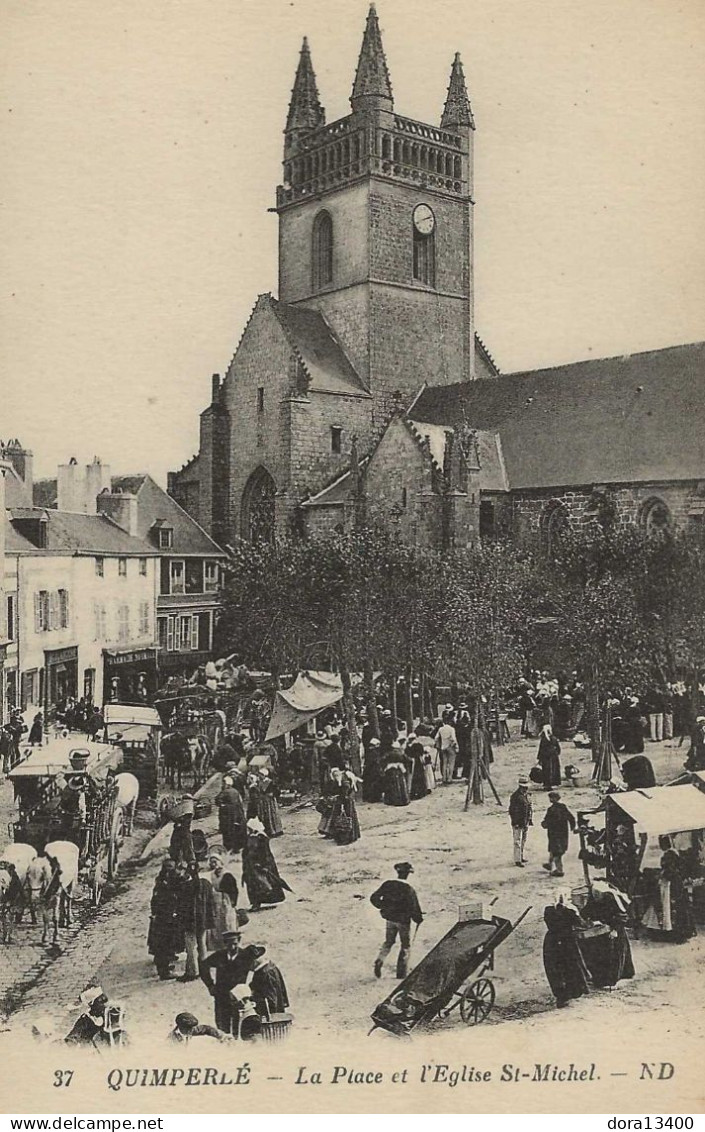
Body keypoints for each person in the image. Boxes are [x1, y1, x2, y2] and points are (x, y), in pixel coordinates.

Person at [371, 862, 423, 980]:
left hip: (389, 919)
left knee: (388, 942)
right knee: (405, 945)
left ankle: (380, 959)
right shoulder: (409, 889)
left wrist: (384, 907)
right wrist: (418, 919)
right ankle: (401, 974)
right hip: (403, 922)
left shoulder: (388, 884)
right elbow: (414, 907)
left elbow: (374, 898)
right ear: (408, 874)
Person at [581, 880, 635, 987]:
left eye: (598, 894)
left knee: (613, 954)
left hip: (613, 929)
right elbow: (586, 911)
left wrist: (615, 929)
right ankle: (597, 977)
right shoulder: (593, 898)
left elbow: (622, 916)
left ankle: (610, 979)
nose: (596, 896)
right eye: (594, 894)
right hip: (600, 930)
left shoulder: (611, 899)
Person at [199, 929, 253, 1036]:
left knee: (238, 1024)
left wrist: (249, 990)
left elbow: (258, 970)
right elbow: (203, 966)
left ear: (239, 941)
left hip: (238, 997)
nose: (232, 947)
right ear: (225, 944)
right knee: (222, 1025)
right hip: (221, 995)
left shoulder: (246, 956)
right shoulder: (220, 955)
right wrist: (210, 985)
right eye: (229, 945)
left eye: (235, 944)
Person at [542, 893, 590, 1008]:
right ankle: (571, 993)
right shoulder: (570, 911)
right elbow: (583, 924)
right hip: (567, 942)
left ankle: (560, 996)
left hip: (551, 941)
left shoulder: (548, 910)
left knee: (554, 968)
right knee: (571, 966)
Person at [642, 849, 697, 942]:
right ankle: (667, 932)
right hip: (666, 893)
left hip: (669, 894)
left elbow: (677, 887)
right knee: (664, 911)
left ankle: (669, 932)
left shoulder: (670, 873)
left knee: (670, 911)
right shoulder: (668, 873)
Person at [242, 817, 292, 911]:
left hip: (260, 865)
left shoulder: (262, 838)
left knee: (263, 883)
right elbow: (246, 851)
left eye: (249, 828)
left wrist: (264, 865)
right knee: (252, 884)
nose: (248, 830)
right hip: (250, 866)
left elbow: (265, 854)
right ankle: (255, 903)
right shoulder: (249, 837)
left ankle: (266, 900)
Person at [178, 861, 216, 982]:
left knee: (191, 946)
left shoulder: (184, 887)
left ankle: (192, 972)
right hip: (203, 920)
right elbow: (211, 903)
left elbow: (182, 906)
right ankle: (204, 969)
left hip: (190, 921)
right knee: (202, 945)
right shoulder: (206, 884)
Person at [148, 859, 184, 979]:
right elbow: (157, 900)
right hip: (163, 917)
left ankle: (165, 965)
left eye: (171, 867)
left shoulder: (168, 880)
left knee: (167, 942)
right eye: (167, 867)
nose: (169, 869)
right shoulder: (162, 883)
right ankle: (163, 972)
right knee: (163, 943)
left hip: (166, 917)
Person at [204, 851, 241, 951]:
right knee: (217, 922)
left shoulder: (227, 874)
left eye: (215, 861)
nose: (213, 864)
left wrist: (233, 902)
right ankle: (218, 944)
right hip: (215, 900)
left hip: (226, 900)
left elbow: (234, 890)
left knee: (227, 921)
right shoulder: (211, 875)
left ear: (220, 862)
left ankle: (230, 942)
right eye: (211, 862)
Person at [248, 945, 290, 1019]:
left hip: (271, 1016)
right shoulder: (268, 968)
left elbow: (272, 999)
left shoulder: (266, 973)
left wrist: (271, 1017)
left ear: (254, 961)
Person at [541, 792, 576, 877]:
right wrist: (572, 827)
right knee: (555, 850)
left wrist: (543, 824)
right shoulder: (563, 807)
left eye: (551, 798)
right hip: (563, 834)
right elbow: (571, 818)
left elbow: (547, 822)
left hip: (554, 834)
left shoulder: (551, 810)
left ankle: (559, 870)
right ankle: (550, 864)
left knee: (556, 852)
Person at [327, 767, 361, 844]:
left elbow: (346, 790)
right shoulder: (336, 781)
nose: (336, 776)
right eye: (334, 775)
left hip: (346, 801)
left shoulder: (344, 779)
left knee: (348, 817)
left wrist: (340, 796)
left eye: (336, 774)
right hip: (340, 801)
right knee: (339, 819)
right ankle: (340, 837)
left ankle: (349, 837)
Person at [215, 775, 247, 853]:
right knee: (236, 829)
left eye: (224, 783)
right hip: (236, 813)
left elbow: (217, 800)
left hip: (227, 814)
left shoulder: (225, 792)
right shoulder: (235, 791)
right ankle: (237, 847)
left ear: (227, 784)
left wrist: (222, 805)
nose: (223, 785)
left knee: (227, 830)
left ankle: (228, 847)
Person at [248, 768, 283, 838]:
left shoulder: (270, 782)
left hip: (270, 802)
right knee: (264, 816)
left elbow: (277, 791)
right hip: (263, 802)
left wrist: (272, 794)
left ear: (264, 775)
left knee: (271, 815)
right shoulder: (259, 782)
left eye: (260, 775)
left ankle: (274, 831)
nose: (259, 776)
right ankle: (267, 830)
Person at [508, 776, 533, 867]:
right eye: (524, 787)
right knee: (517, 841)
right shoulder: (515, 796)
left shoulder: (526, 795)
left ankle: (521, 856)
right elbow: (512, 811)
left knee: (523, 840)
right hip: (518, 822)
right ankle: (517, 860)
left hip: (525, 821)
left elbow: (529, 808)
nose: (525, 789)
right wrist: (515, 822)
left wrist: (529, 820)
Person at [435, 715, 458, 785]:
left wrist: (438, 745)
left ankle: (444, 778)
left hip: (443, 747)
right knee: (451, 763)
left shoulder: (440, 729)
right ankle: (450, 778)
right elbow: (454, 739)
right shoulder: (451, 729)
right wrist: (455, 745)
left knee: (444, 763)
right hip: (450, 747)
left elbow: (436, 738)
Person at [537, 724, 561, 790]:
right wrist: (557, 753)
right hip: (553, 757)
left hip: (545, 757)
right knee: (554, 770)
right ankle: (553, 783)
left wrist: (539, 758)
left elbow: (541, 749)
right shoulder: (554, 738)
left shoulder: (544, 739)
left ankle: (547, 784)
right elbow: (558, 748)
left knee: (546, 771)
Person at [362, 737, 384, 802]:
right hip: (373, 770)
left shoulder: (370, 751)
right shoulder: (374, 752)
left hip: (370, 769)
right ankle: (374, 797)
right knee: (374, 784)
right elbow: (374, 761)